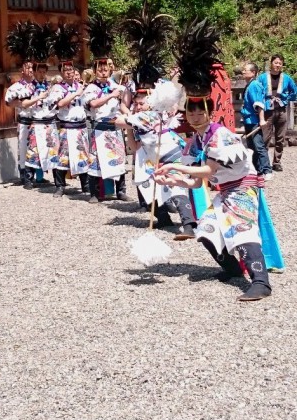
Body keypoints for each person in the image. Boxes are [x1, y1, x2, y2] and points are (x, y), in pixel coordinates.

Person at [155, 96, 272, 302]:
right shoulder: (194, 143)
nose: (196, 117)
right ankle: (233, 269)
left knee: (242, 231)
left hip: (243, 186)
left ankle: (261, 282)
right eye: (191, 113)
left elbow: (209, 170)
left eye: (201, 112)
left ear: (210, 114)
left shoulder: (220, 134)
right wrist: (170, 181)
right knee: (205, 229)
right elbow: (196, 183)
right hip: (225, 190)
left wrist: (173, 166)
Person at [116, 87, 197, 235]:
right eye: (136, 104)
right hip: (155, 158)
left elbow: (118, 121)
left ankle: (188, 225)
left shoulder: (148, 116)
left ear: (151, 104)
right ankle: (163, 218)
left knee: (177, 187)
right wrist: (129, 128)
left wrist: (127, 116)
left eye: (141, 103)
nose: (138, 107)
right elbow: (134, 147)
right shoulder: (143, 118)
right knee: (146, 184)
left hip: (170, 156)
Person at [82, 59, 130, 203]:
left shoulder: (115, 86)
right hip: (99, 129)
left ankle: (121, 191)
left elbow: (120, 106)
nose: (103, 72)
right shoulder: (91, 88)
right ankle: (95, 193)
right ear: (95, 71)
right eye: (100, 70)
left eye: (106, 69)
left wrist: (130, 115)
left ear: (110, 71)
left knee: (118, 159)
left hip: (114, 127)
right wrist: (110, 95)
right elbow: (93, 104)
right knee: (96, 161)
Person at [51, 61, 90, 197]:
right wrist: (76, 94)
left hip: (80, 126)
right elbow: (60, 104)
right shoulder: (58, 88)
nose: (69, 72)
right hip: (66, 127)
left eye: (71, 70)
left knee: (83, 155)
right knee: (63, 156)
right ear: (61, 72)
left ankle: (85, 185)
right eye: (65, 70)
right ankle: (60, 186)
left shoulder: (80, 86)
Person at [258, 54, 297, 171]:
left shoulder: (286, 78)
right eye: (276, 63)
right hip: (267, 110)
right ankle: (264, 163)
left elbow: (294, 91)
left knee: (280, 138)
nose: (278, 65)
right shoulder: (262, 77)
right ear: (271, 63)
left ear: (282, 65)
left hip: (281, 110)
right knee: (265, 138)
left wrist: (285, 98)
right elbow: (257, 91)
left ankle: (276, 162)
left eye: (280, 63)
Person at [5, 61, 39, 184]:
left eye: (32, 68)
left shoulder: (39, 85)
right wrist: (21, 104)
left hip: (38, 120)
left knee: (38, 148)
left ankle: (38, 176)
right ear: (22, 70)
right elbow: (8, 102)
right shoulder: (17, 86)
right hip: (25, 120)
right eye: (28, 67)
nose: (31, 70)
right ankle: (25, 176)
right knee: (24, 148)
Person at [241, 62, 272, 180]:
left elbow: (259, 104)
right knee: (251, 146)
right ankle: (257, 170)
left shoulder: (255, 85)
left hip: (254, 120)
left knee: (259, 145)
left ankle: (266, 169)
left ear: (253, 72)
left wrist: (262, 119)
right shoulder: (249, 85)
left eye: (245, 70)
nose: (243, 71)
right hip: (248, 120)